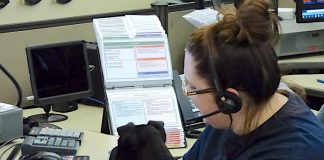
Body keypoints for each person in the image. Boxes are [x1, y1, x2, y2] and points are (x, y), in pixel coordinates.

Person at [181, 0, 324, 159]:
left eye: (193, 88)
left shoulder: (293, 153)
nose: (188, 92)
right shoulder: (228, 117)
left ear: (229, 98)